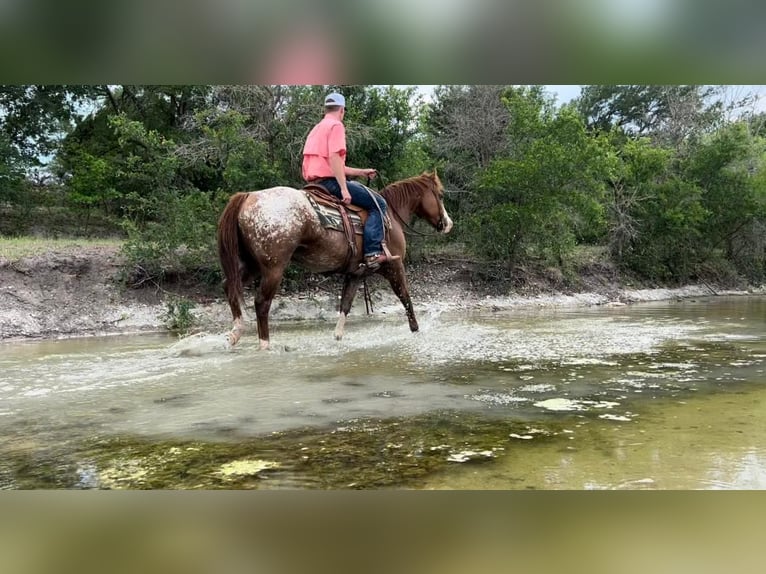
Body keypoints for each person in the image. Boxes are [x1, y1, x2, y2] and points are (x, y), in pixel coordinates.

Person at [302, 92, 398, 270]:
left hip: (314, 184)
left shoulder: (316, 129)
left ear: (326, 109)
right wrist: (344, 189)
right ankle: (372, 254)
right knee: (379, 204)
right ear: (342, 110)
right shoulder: (336, 125)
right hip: (330, 184)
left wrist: (361, 172)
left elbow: (331, 164)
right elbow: (334, 158)